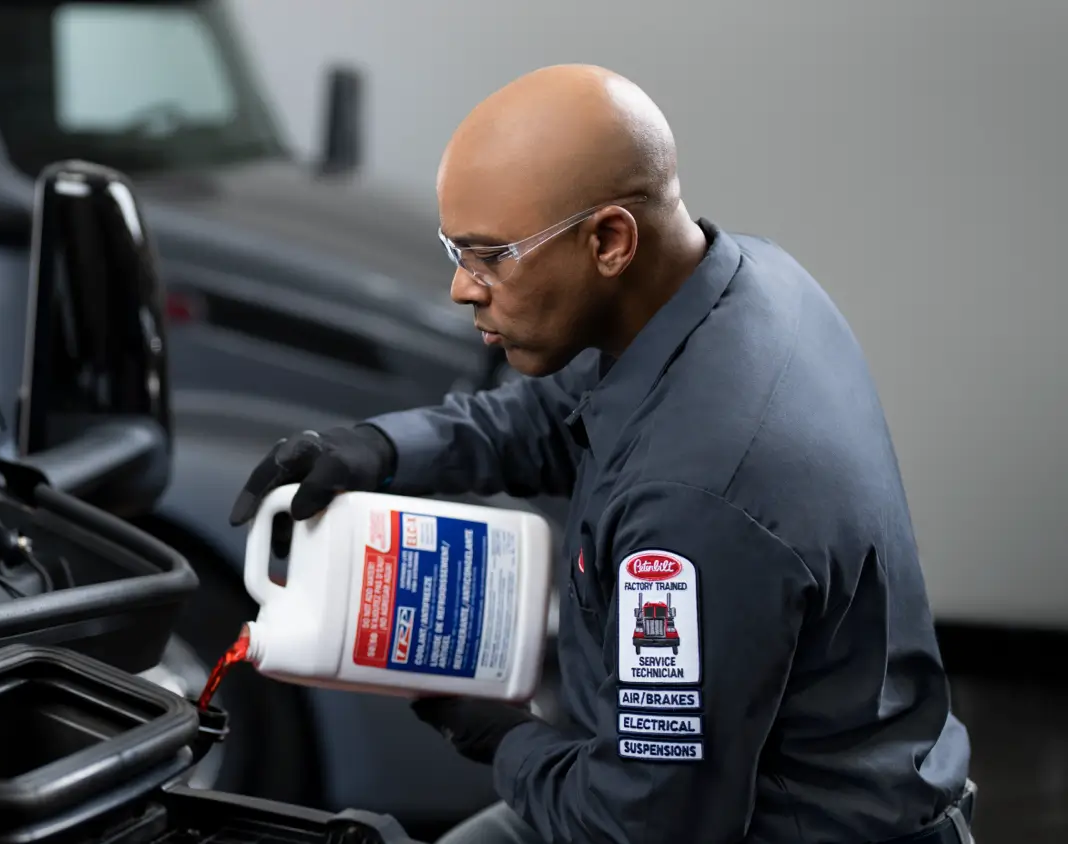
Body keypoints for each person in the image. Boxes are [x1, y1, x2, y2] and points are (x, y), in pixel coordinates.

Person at [227, 65, 974, 844]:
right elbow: (558, 414)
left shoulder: (696, 500)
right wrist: (381, 448)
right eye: (456, 249)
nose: (460, 287)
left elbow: (648, 824)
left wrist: (499, 736)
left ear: (610, 240)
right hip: (672, 783)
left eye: (490, 256)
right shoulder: (743, 284)